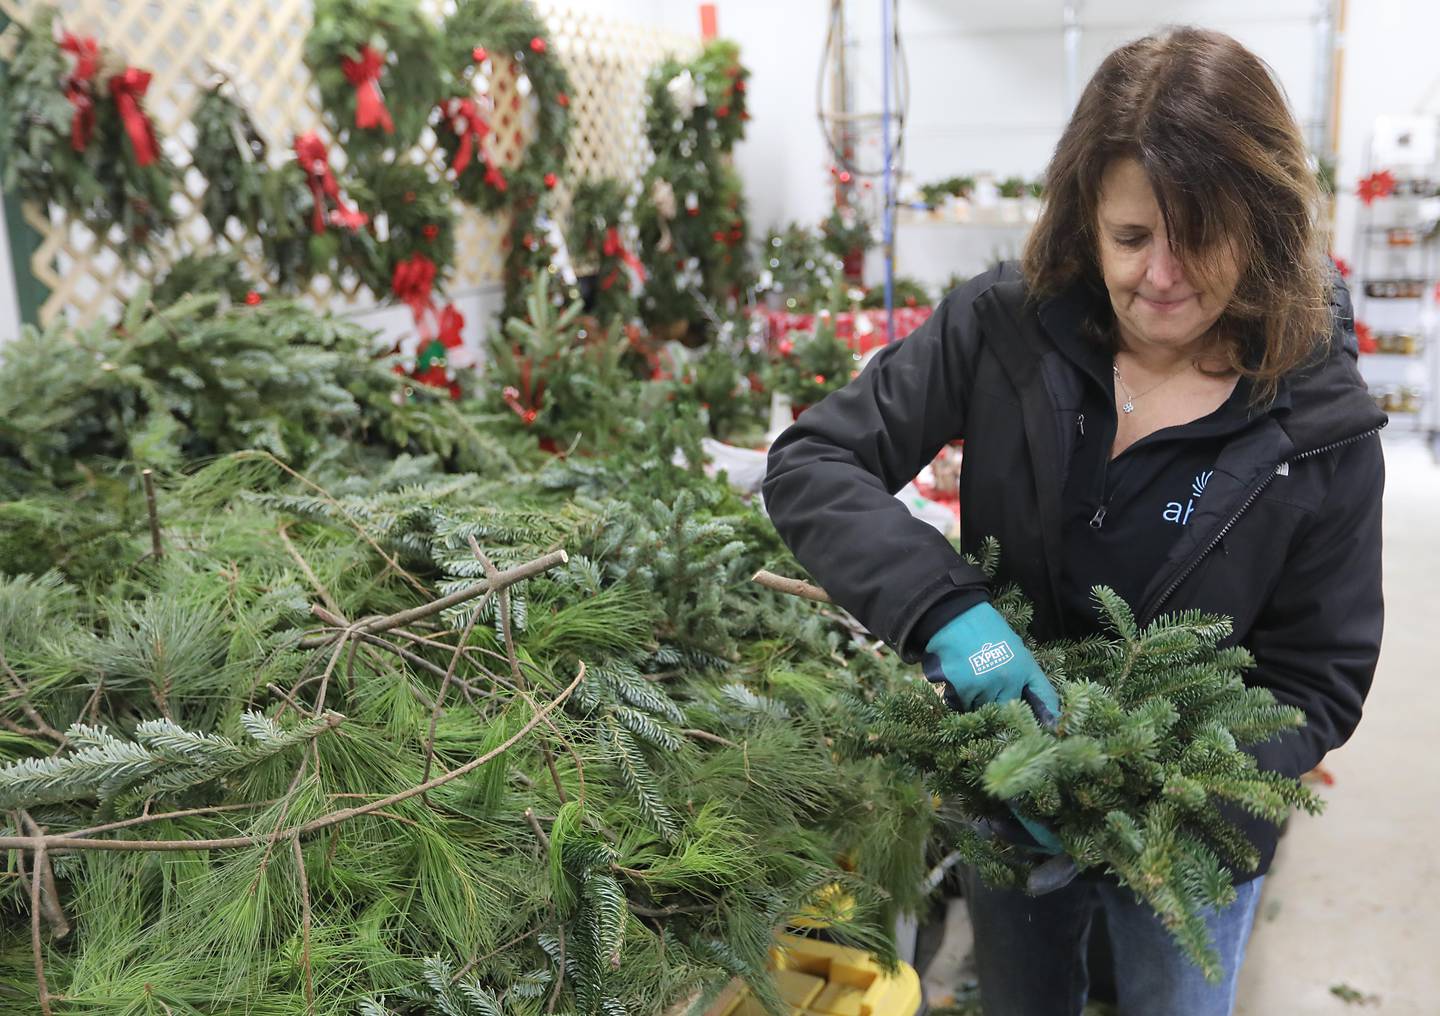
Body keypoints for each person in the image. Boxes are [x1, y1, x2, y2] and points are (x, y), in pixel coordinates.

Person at [762, 26, 1385, 1016]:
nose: (1162, 276)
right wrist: (947, 615)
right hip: (1006, 793)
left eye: (1200, 238)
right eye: (1131, 238)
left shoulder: (1317, 423)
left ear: (1263, 226)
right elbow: (813, 462)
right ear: (1087, 217)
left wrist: (1160, 790)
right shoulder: (1002, 328)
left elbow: (1319, 679)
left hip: (1191, 845)